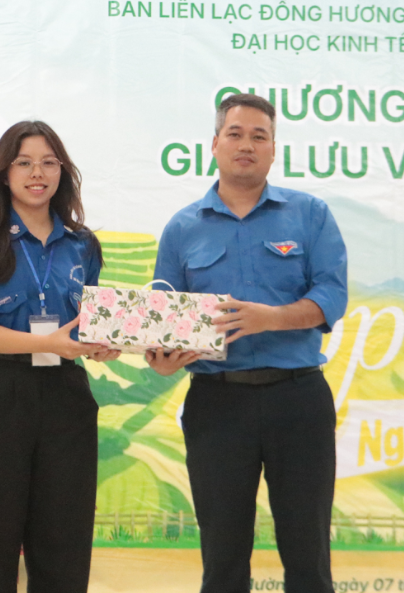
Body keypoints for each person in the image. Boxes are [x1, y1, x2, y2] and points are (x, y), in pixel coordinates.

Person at [147, 93, 347, 593]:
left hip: (298, 400)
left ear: (274, 150)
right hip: (217, 404)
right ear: (214, 144)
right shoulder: (182, 228)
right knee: (223, 558)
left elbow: (332, 295)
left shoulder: (310, 214)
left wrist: (272, 318)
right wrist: (162, 360)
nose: (247, 145)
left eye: (260, 136)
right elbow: (163, 319)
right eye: (235, 134)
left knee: (308, 555)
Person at [0, 120, 120, 593]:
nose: (37, 173)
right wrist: (46, 343)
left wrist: (101, 344)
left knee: (65, 540)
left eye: (48, 162)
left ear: (63, 171)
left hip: (66, 394)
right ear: (4, 173)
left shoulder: (82, 244)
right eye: (24, 163)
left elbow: (85, 324)